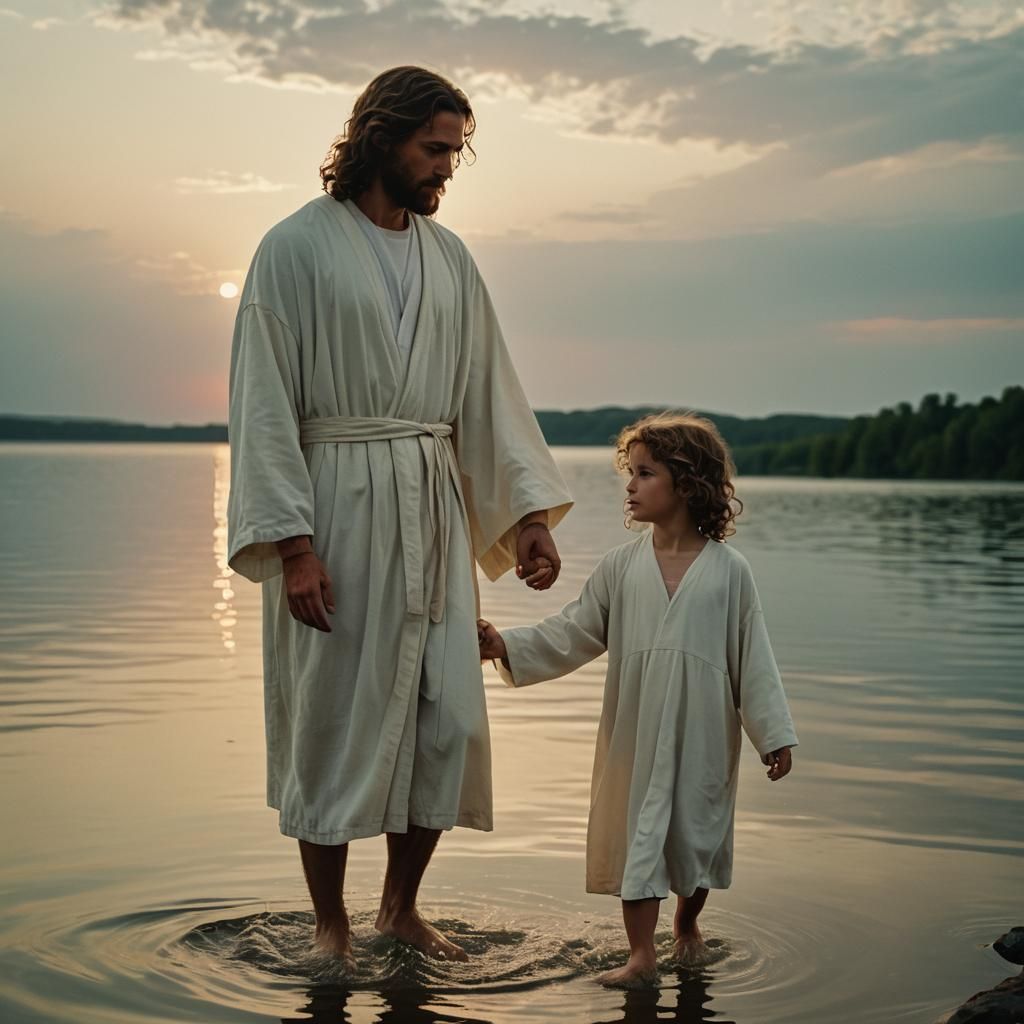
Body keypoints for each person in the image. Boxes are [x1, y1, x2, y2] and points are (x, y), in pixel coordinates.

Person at [227, 65, 573, 966]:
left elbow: (488, 393)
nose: (445, 169)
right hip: (335, 507)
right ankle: (331, 926)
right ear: (380, 135)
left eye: (455, 152)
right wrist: (294, 547)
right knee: (333, 718)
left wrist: (527, 517)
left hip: (433, 506)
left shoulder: (449, 259)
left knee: (446, 718)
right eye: (434, 148)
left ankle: (400, 908)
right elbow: (263, 405)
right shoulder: (294, 248)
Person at [478, 412, 797, 988]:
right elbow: (573, 631)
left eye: (645, 473)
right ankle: (642, 955)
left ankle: (687, 924)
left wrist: (772, 735)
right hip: (635, 730)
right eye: (631, 472)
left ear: (687, 482)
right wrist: (507, 644)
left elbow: (754, 659)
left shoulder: (730, 573)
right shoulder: (620, 568)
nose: (629, 485)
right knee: (639, 835)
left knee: (695, 834)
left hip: (703, 731)